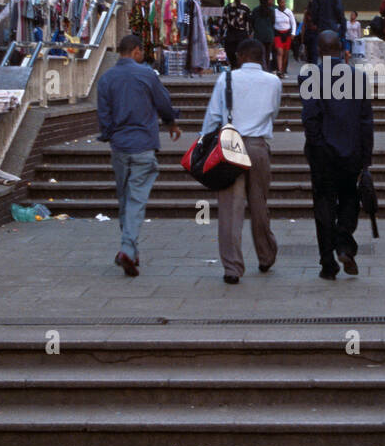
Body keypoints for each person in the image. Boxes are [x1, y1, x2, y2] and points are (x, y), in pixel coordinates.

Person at [96, 33, 181, 277]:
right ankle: (126, 249)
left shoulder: (106, 79)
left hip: (120, 147)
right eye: (141, 52)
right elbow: (163, 103)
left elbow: (104, 115)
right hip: (143, 145)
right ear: (134, 51)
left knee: (124, 199)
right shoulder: (146, 75)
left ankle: (131, 251)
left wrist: (111, 135)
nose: (143, 56)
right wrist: (171, 123)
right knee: (136, 201)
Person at [199, 37, 282, 284]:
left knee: (230, 209)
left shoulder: (226, 79)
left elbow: (213, 117)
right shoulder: (273, 81)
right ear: (261, 58)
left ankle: (232, 268)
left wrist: (203, 146)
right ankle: (266, 255)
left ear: (241, 57)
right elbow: (273, 113)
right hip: (257, 146)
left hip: (229, 147)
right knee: (259, 204)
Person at [300, 29, 374, 281]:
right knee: (349, 199)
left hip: (322, 154)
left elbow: (310, 118)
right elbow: (366, 121)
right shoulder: (358, 78)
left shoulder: (311, 76)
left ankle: (327, 264)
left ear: (319, 51)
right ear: (342, 49)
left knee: (323, 205)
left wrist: (317, 146)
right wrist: (366, 157)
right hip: (352, 152)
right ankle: (343, 241)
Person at [221, 0, 253, 69]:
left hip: (242, 32)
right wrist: (221, 33)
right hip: (231, 31)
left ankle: (240, 66)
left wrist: (250, 33)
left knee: (242, 50)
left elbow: (249, 21)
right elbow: (224, 20)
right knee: (229, 50)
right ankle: (233, 65)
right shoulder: (228, 7)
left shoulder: (245, 7)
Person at [273, 0, 297, 77]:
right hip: (278, 34)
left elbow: (293, 23)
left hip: (287, 34)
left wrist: (293, 33)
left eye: (284, 2)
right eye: (281, 2)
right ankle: (279, 71)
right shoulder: (275, 11)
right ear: (278, 3)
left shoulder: (289, 11)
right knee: (280, 52)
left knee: (286, 54)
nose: (283, 4)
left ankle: (283, 71)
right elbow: (272, 22)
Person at [251, 0, 276, 71]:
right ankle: (266, 69)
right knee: (267, 54)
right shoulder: (271, 10)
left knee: (259, 53)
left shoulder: (255, 10)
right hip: (268, 35)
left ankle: (259, 69)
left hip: (258, 35)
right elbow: (273, 22)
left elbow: (252, 22)